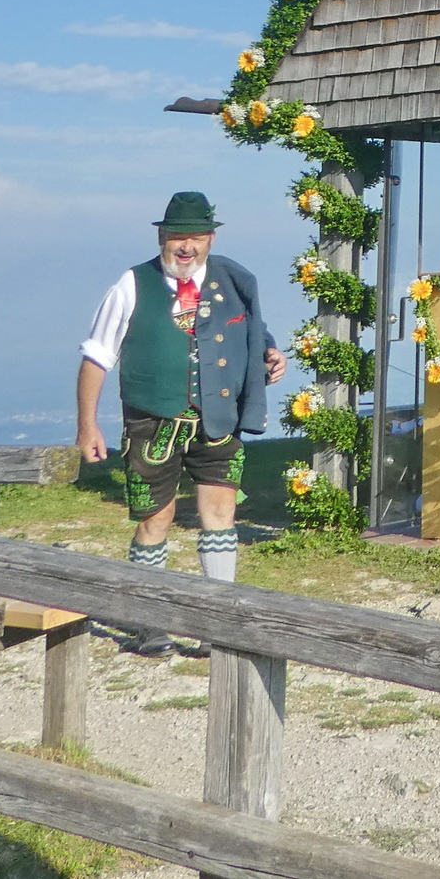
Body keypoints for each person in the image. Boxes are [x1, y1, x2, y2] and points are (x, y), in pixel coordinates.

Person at [75, 192, 286, 652]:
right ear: (162, 238)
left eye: (196, 237)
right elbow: (97, 355)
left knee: (221, 514)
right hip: (153, 422)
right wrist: (87, 425)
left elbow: (250, 329)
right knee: (157, 519)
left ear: (210, 239)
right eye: (177, 237)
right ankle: (149, 623)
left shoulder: (235, 279)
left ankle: (218, 623)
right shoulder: (132, 284)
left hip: (218, 419)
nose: (186, 247)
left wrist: (270, 353)